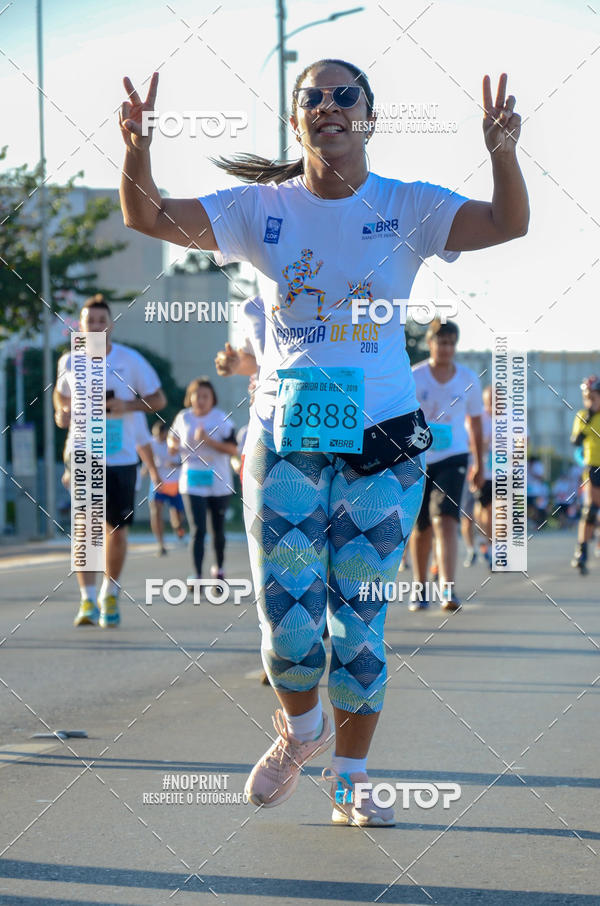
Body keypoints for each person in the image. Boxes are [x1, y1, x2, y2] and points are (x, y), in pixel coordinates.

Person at [119, 61, 528, 826]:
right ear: (295, 116)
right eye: (314, 96)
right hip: (286, 440)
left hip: (385, 445)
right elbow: (148, 216)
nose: (330, 106)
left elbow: (508, 224)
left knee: (360, 622)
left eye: (346, 97)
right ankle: (298, 729)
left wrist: (502, 151)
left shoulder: (408, 205)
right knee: (291, 624)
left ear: (369, 116)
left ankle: (351, 782)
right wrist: (137, 146)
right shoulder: (258, 209)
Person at [53, 294, 166, 627]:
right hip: (85, 452)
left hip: (121, 457)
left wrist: (126, 407)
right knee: (85, 528)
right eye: (90, 321)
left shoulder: (131, 361)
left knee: (115, 530)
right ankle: (87, 601)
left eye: (102, 321)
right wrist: (61, 412)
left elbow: (158, 399)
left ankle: (109, 591)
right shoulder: (70, 361)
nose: (96, 326)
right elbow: (61, 396)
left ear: (110, 325)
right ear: (82, 325)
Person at [410, 320, 484, 612]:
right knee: (423, 525)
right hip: (418, 457)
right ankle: (419, 586)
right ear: (430, 344)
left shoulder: (468, 379)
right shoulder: (415, 376)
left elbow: (475, 422)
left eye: (451, 343)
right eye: (441, 342)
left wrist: (478, 462)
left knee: (446, 520)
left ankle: (448, 589)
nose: (446, 348)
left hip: (454, 456)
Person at [168, 378, 237, 586]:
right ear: (190, 398)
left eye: (205, 396)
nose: (201, 400)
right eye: (197, 395)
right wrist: (172, 444)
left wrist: (209, 440)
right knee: (198, 529)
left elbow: (233, 449)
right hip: (192, 480)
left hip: (218, 480)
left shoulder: (221, 419)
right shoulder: (183, 417)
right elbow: (172, 438)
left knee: (218, 529)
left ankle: (219, 570)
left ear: (212, 399)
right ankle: (197, 575)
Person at [570, 375, 600, 575]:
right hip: (592, 466)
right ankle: (581, 550)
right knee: (590, 509)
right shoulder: (582, 415)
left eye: (593, 396)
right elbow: (575, 441)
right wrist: (588, 418)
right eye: (586, 396)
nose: (589, 400)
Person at [145, 421, 186, 555]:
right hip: (158, 482)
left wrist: (175, 464)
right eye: (156, 436)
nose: (158, 439)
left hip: (175, 482)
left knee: (178, 515)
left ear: (166, 434)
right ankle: (161, 544)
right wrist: (146, 470)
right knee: (156, 511)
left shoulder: (175, 442)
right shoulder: (151, 443)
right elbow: (146, 458)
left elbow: (186, 460)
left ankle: (178, 529)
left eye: (161, 436)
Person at [473, 384, 493, 567]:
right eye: (490, 402)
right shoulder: (478, 417)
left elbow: (523, 440)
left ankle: (495, 545)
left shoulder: (512, 417)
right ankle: (485, 539)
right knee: (485, 509)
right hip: (483, 472)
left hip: (505, 472)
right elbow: (469, 440)